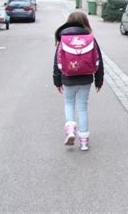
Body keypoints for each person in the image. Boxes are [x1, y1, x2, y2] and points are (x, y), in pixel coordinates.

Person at [53, 11, 104, 151]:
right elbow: (99, 60)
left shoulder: (63, 38)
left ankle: (70, 130)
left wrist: (57, 81)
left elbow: (56, 60)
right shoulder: (90, 38)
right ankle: (84, 142)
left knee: (69, 103)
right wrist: (99, 81)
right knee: (82, 108)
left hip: (68, 77)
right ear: (85, 22)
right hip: (86, 78)